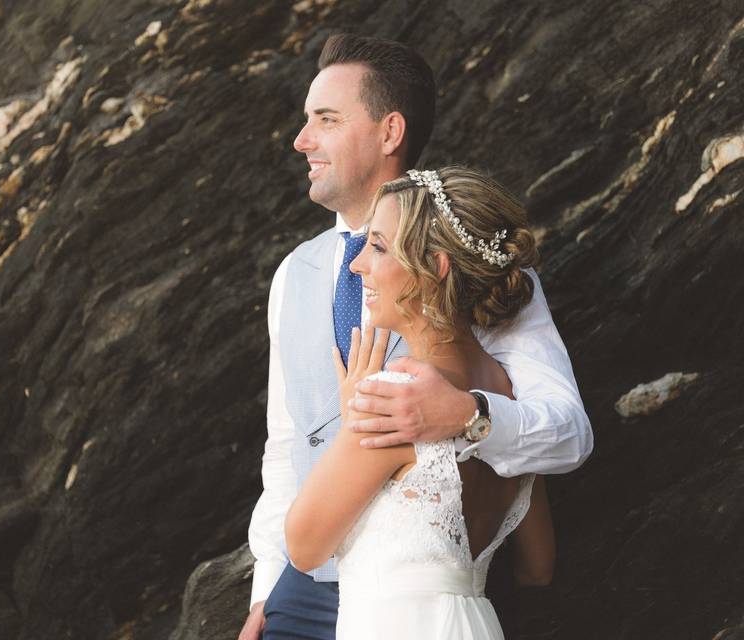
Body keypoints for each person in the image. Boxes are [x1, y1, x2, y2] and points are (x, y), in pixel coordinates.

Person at [240, 34, 591, 640]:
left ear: (389, 131)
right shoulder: (292, 276)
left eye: (325, 119)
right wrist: (265, 593)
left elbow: (567, 430)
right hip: (302, 592)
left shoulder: (490, 277)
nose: (301, 140)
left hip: (413, 588)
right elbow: (286, 444)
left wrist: (464, 414)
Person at [285, 167, 557, 638]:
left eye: (378, 247)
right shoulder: (510, 403)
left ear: (436, 266)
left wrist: (354, 422)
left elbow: (304, 545)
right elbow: (539, 568)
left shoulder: (394, 399)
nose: (357, 265)